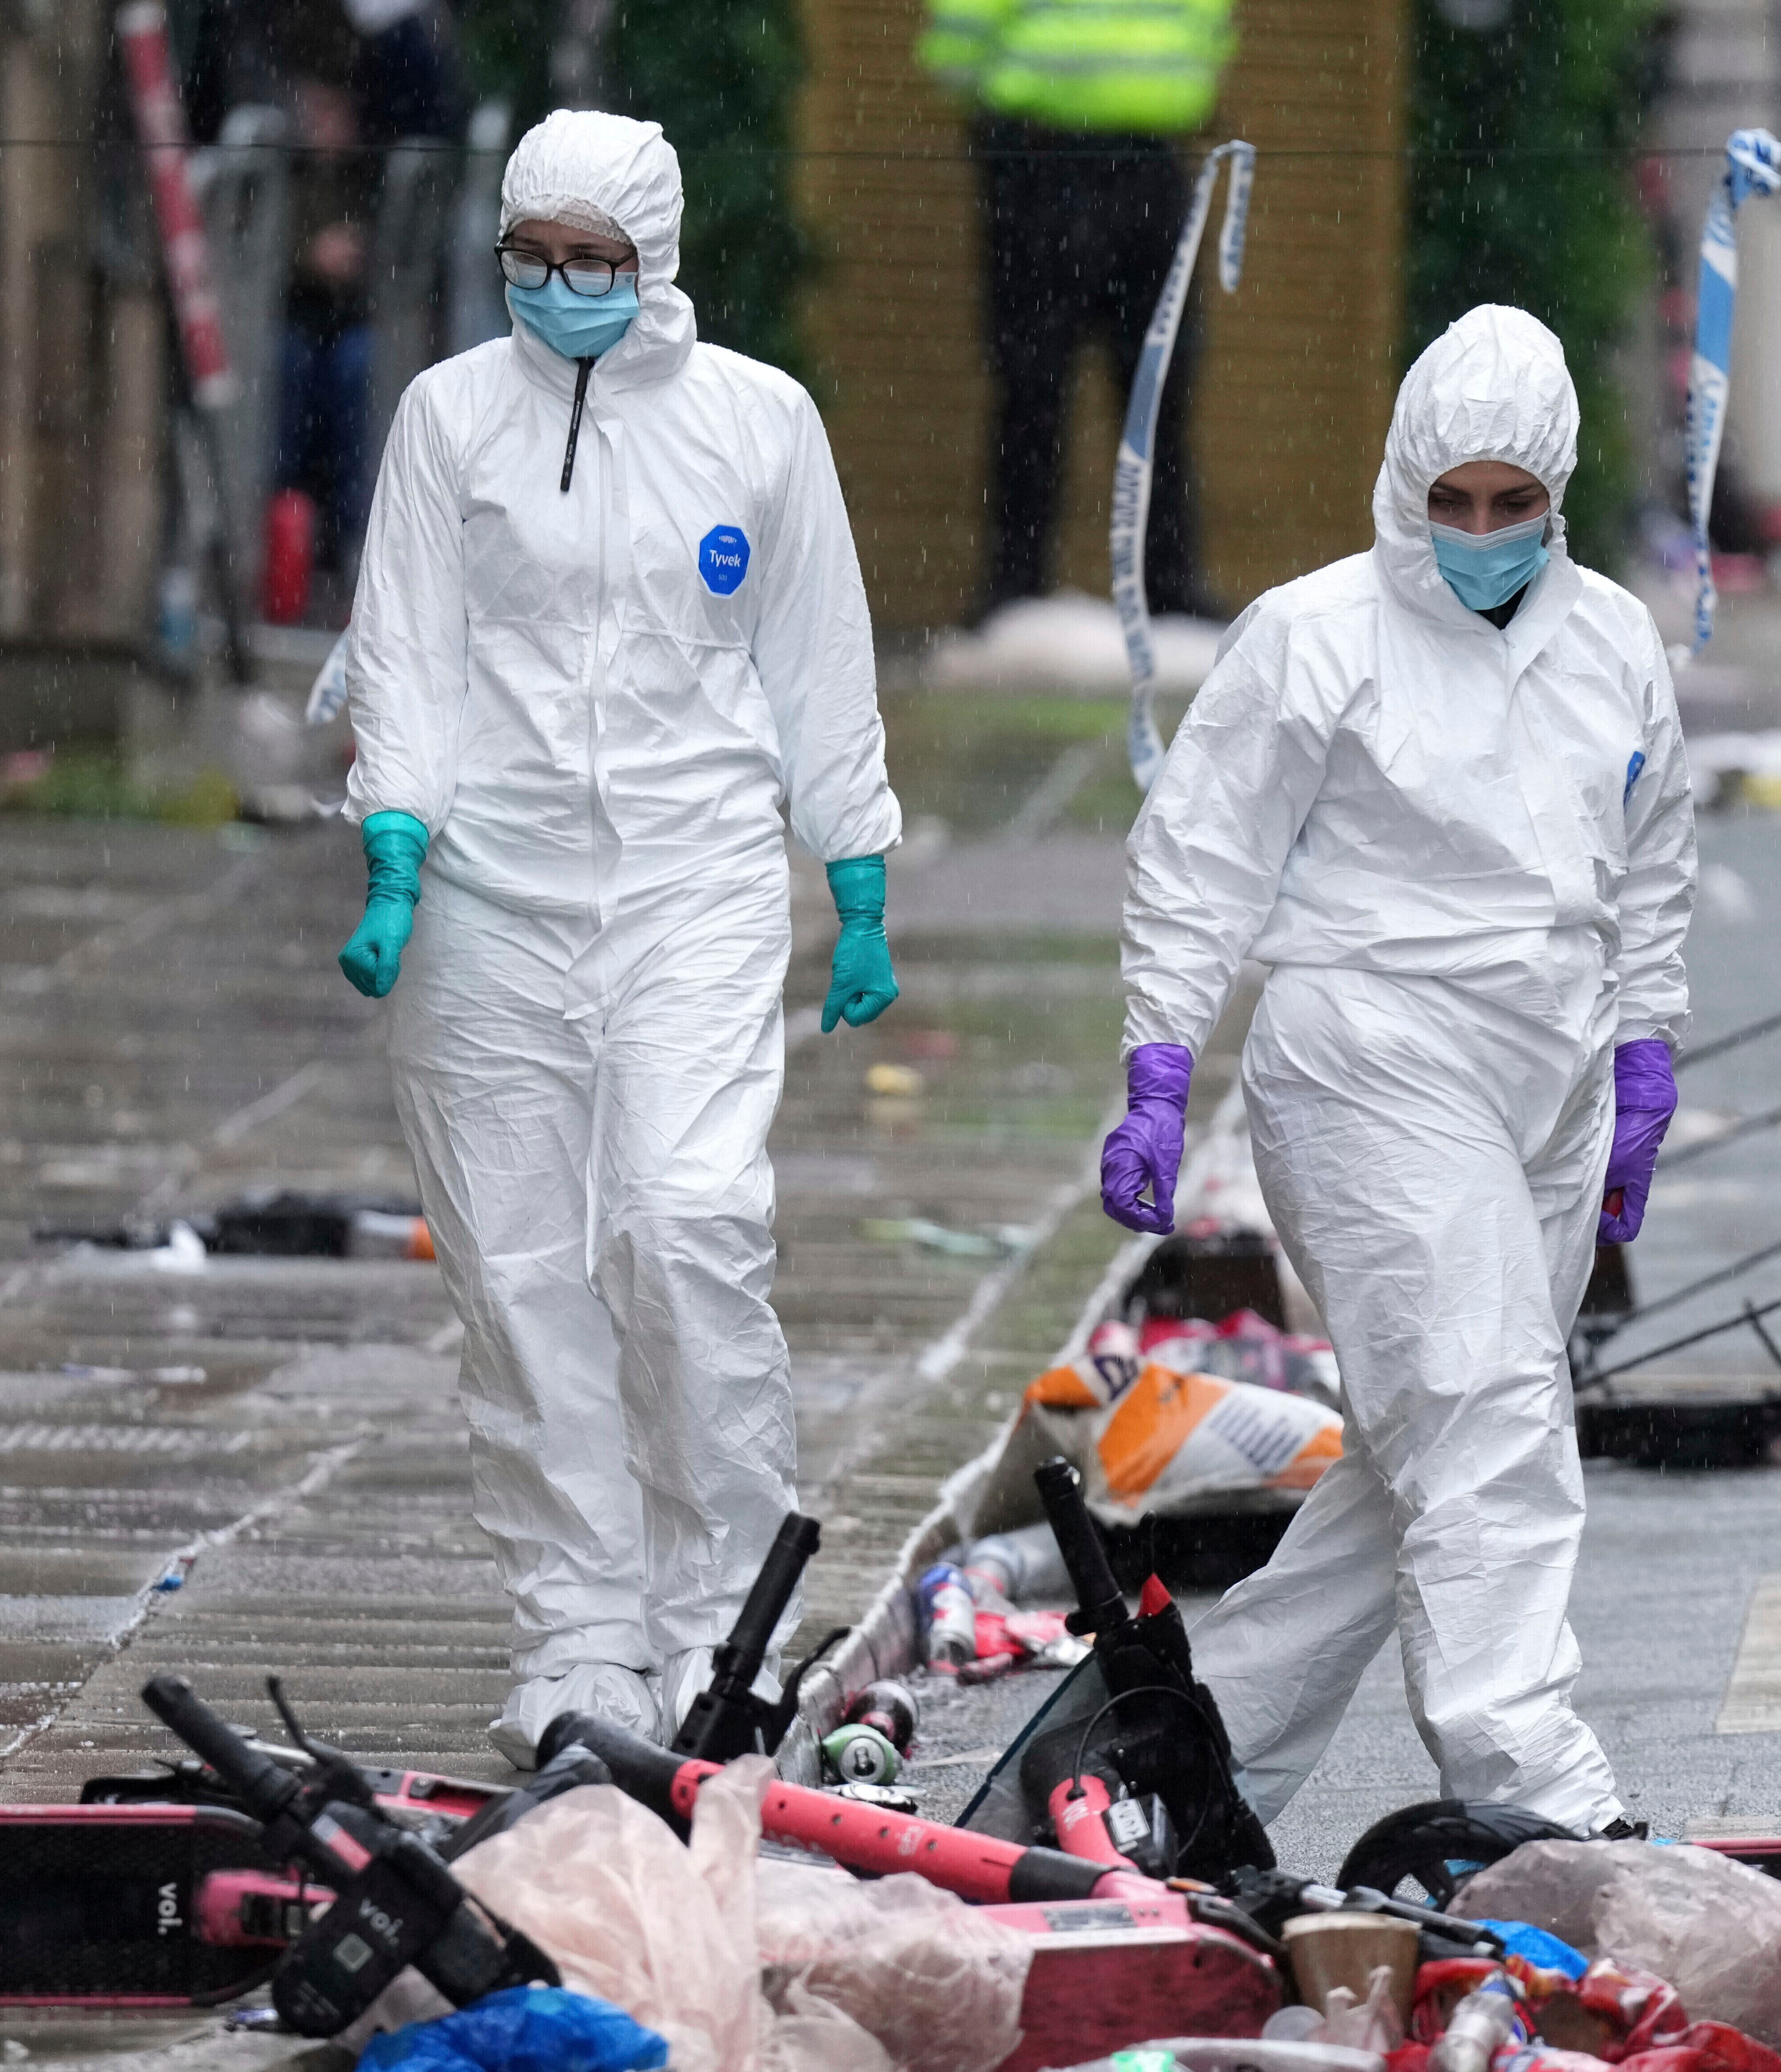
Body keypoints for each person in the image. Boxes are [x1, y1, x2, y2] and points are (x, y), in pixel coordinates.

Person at [337, 109, 904, 1767]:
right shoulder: (452, 420)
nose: (566, 288)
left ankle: (729, 1625)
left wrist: (855, 861)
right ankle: (579, 1630)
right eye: (539, 258)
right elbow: (409, 649)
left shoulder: (757, 424)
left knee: (685, 1224)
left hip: (693, 880)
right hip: (487, 893)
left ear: (654, 258)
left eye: (597, 260)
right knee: (520, 1272)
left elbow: (818, 657)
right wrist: (395, 841)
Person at [1100, 305, 1695, 1835]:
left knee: (1419, 1449)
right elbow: (1199, 855)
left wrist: (1643, 1052)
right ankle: (1529, 1779)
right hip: (1370, 1054)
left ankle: (1195, 1750)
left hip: (1548, 1078)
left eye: (1515, 506)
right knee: (1487, 1412)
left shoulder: (1614, 638)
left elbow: (1651, 861)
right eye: (1453, 502)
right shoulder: (1317, 637)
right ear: (1402, 481)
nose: (1481, 535)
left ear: (1556, 497)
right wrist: (1161, 1056)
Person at [917, 0, 1234, 621]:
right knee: (1038, 385)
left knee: (1152, 385)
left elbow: (958, 44)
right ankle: (1019, 587)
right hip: (1051, 155)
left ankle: (1157, 588)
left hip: (1129, 155)